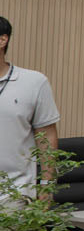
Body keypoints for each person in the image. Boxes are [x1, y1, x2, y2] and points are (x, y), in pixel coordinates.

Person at [0, 14, 62, 195]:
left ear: (3, 40)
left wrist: (46, 188)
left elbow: (47, 137)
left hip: (16, 193)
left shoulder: (34, 82)